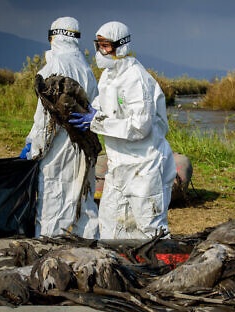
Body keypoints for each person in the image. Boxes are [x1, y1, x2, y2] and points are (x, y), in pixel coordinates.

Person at [69, 21, 176, 240]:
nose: (101, 51)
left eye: (106, 45)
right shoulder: (110, 75)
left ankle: (160, 271)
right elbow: (101, 104)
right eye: (98, 44)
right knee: (111, 224)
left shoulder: (136, 79)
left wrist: (95, 122)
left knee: (149, 228)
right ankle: (121, 269)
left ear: (122, 46)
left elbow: (140, 126)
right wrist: (85, 110)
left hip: (144, 166)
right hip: (119, 165)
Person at [21, 16, 100, 239]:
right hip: (84, 145)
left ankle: (51, 261)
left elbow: (46, 120)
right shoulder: (86, 69)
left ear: (52, 37)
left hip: (58, 150)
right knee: (83, 205)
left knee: (53, 208)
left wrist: (34, 148)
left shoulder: (52, 67)